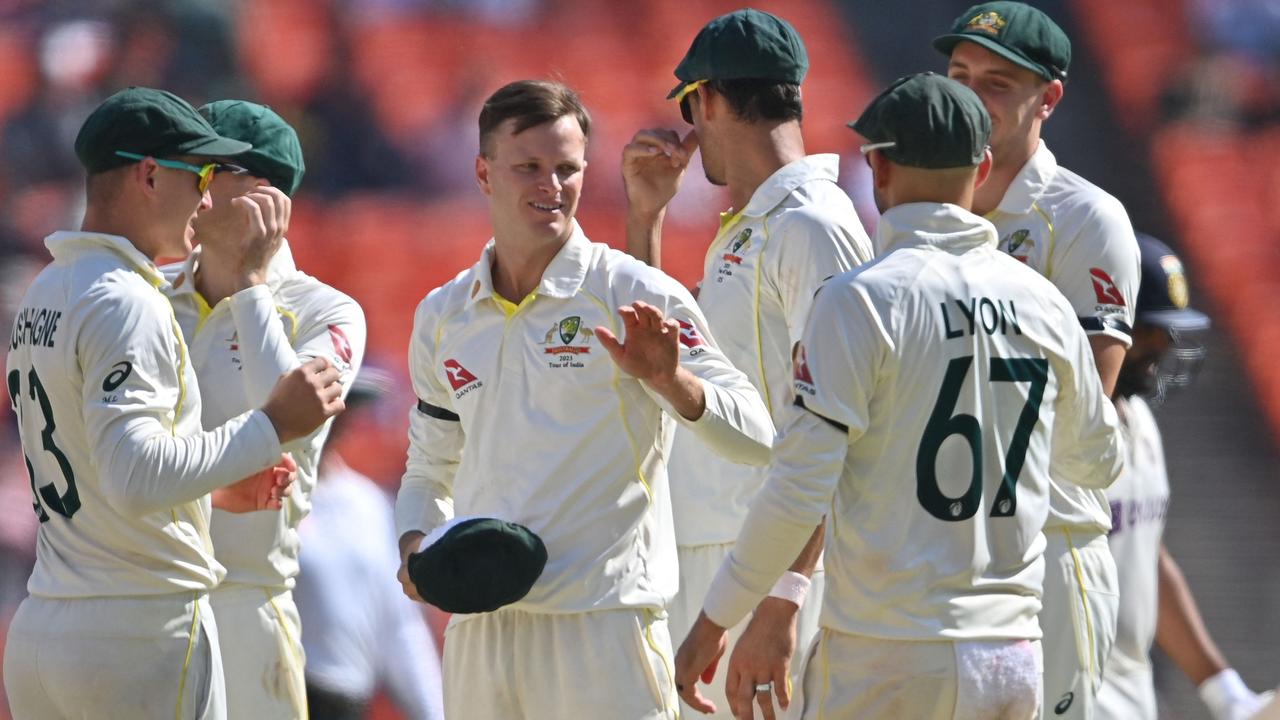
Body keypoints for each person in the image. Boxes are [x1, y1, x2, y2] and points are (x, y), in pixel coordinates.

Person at [675, 72, 1125, 720]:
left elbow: (800, 484)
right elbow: (1097, 464)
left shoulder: (860, 300)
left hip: (888, 653)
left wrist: (714, 620)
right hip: (1010, 650)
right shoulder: (1046, 303)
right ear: (983, 166)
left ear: (877, 167)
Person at [394, 79, 774, 720]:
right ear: (484, 174)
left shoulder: (630, 290)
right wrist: (415, 550)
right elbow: (430, 468)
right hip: (482, 629)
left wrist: (669, 380)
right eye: (529, 168)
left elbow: (758, 436)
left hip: (606, 628)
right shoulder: (443, 313)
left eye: (567, 169)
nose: (551, 186)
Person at [2, 86, 344, 720]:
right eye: (201, 175)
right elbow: (136, 474)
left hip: (46, 621)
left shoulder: (46, 288)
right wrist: (269, 425)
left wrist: (207, 493)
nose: (207, 197)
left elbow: (100, 462)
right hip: (141, 627)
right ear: (151, 174)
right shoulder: (130, 298)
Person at [622, 10, 872, 717]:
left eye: (690, 107)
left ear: (709, 99)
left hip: (763, 568)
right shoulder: (757, 227)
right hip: (723, 559)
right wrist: (646, 222)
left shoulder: (811, 226)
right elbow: (663, 368)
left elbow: (838, 425)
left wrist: (783, 598)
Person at [934, 4, 1142, 716]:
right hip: (940, 545)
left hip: (1046, 544)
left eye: (995, 83)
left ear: (1047, 98)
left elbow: (1087, 405)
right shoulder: (925, 205)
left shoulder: (1086, 218)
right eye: (959, 75)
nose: (968, 95)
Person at [162, 99, 367, 720]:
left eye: (200, 170)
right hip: (144, 599)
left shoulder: (327, 311)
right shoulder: (148, 295)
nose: (179, 186)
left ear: (262, 195)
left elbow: (293, 417)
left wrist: (250, 284)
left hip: (245, 605)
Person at [1097, 235, 1274, 720]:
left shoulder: (1141, 421)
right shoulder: (1062, 431)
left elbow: (1144, 551)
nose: (1166, 344)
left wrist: (1223, 691)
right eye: (1152, 328)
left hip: (1131, 689)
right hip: (1070, 688)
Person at [295, 368, 445, 720]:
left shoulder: (366, 504)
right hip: (273, 697)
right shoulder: (251, 497)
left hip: (343, 701)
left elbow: (398, 625)